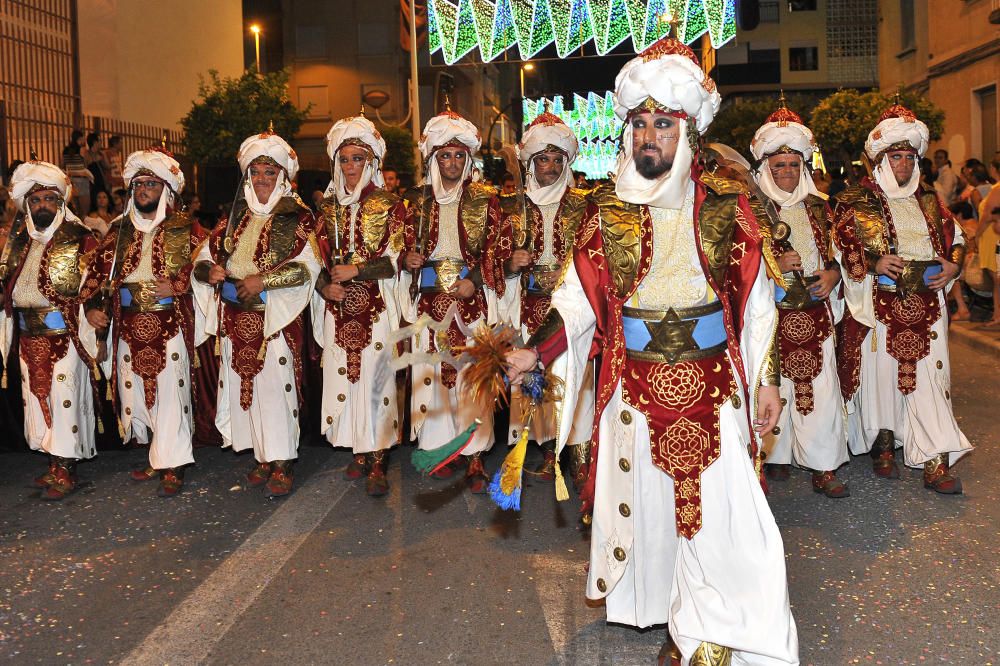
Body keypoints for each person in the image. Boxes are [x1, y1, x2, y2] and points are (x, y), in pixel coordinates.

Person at [505, 34, 797, 665]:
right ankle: (673, 616)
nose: (648, 138)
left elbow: (759, 300)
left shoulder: (728, 207)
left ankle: (713, 622)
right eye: (639, 124)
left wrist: (768, 381)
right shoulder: (604, 210)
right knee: (656, 514)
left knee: (720, 512)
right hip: (633, 385)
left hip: (713, 382)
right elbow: (578, 300)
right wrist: (535, 351)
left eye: (662, 125)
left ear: (687, 131)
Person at [833, 101, 972, 494]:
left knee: (930, 382)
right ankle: (883, 447)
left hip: (928, 305)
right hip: (880, 304)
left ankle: (935, 460)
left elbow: (957, 238)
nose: (904, 165)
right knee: (882, 381)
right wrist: (874, 262)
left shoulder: (930, 200)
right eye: (897, 157)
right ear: (880, 160)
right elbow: (840, 247)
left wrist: (954, 265)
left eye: (910, 158)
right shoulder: (853, 201)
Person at [192, 129, 321, 497]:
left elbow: (307, 267)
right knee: (242, 387)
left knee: (274, 390)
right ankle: (261, 457)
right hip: (235, 318)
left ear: (282, 177)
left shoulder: (298, 217)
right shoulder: (234, 216)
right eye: (255, 173)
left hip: (274, 319)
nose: (262, 180)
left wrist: (264, 281)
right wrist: (210, 271)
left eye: (269, 173)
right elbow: (202, 258)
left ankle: (281, 461)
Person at [81, 147, 207, 496]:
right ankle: (157, 454)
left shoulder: (186, 229)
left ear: (165, 189)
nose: (143, 190)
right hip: (129, 324)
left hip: (169, 323)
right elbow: (93, 276)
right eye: (138, 185)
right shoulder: (119, 232)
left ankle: (175, 462)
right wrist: (93, 306)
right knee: (136, 391)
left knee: (168, 392)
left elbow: (209, 264)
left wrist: (181, 283)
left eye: (150, 184)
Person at [399, 108, 511, 494]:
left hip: (470, 299)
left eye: (458, 156)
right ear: (432, 159)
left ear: (468, 159)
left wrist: (475, 280)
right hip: (429, 301)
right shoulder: (415, 202)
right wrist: (407, 260)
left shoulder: (486, 200)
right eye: (444, 156)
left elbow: (500, 250)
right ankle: (438, 450)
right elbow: (398, 247)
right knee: (432, 376)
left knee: (473, 378)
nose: (451, 163)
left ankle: (475, 456)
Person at [749, 100, 849, 498]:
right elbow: (734, 263)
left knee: (821, 392)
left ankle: (823, 466)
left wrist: (832, 273)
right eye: (779, 166)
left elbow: (845, 253)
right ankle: (774, 458)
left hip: (815, 312)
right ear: (766, 170)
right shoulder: (750, 212)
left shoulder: (822, 210)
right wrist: (772, 260)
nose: (787, 172)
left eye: (793, 165)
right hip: (771, 318)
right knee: (775, 388)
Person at [499, 111, 596, 489]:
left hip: (574, 308)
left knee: (579, 378)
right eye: (543, 160)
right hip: (530, 305)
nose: (551, 168)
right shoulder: (510, 207)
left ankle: (582, 457)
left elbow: (595, 252)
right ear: (532, 164)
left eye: (558, 160)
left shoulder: (585, 205)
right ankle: (548, 450)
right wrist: (510, 264)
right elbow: (492, 260)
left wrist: (574, 271)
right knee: (536, 382)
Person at [313, 114, 406, 496]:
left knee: (376, 380)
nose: (351, 167)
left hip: (377, 309)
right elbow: (310, 260)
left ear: (371, 164)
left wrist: (357, 270)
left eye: (358, 159)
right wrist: (323, 287)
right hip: (338, 310)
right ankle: (359, 449)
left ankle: (379, 457)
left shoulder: (391, 205)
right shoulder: (327, 209)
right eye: (345, 159)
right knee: (346, 378)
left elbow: (396, 257)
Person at [0, 160, 100, 500]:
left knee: (64, 398)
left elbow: (95, 281)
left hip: (65, 336)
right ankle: (53, 462)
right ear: (27, 205)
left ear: (61, 203)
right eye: (36, 200)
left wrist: (95, 309)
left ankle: (66, 466)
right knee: (37, 399)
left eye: (49, 199)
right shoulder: (19, 243)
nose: (42, 206)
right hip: (28, 337)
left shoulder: (79, 239)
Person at [62, 130, 93, 216]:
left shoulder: (66, 150)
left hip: (71, 181)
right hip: (82, 181)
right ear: (80, 138)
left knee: (74, 211)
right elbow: (87, 163)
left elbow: (63, 165)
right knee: (84, 211)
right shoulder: (82, 149)